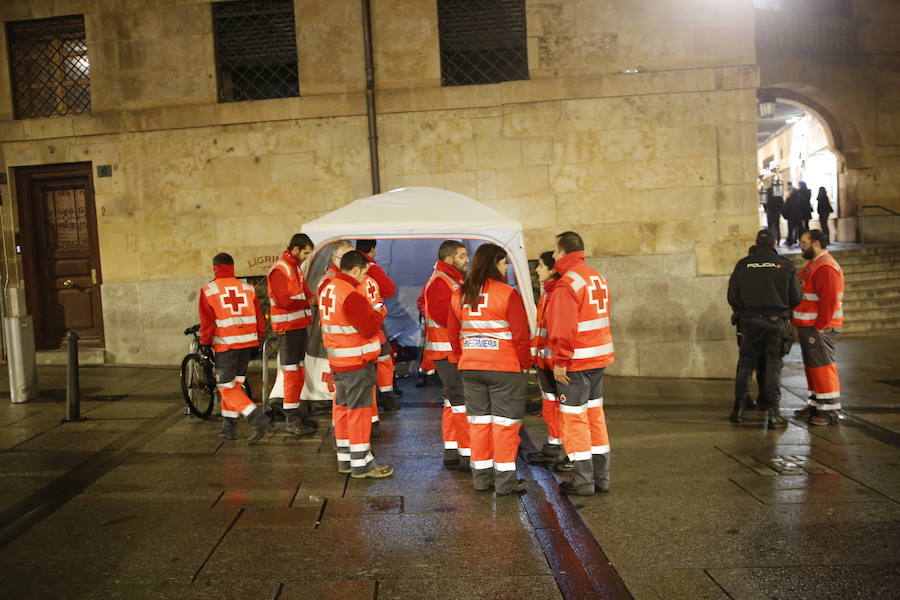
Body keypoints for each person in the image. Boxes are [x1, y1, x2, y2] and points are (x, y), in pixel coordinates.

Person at [448, 243, 531, 495]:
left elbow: (453, 334)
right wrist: (525, 364)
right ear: (495, 263)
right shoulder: (507, 293)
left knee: (479, 423)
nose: (505, 267)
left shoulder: (459, 293)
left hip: (471, 367)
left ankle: (481, 479)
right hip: (504, 368)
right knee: (505, 426)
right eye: (504, 262)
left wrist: (465, 357)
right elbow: (520, 336)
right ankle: (505, 483)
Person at [546, 231, 614, 496]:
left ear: (563, 252)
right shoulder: (596, 276)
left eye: (555, 250)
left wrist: (559, 362)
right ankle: (601, 478)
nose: (552, 255)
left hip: (576, 362)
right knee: (595, 418)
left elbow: (563, 328)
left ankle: (583, 482)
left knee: (574, 421)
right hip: (598, 358)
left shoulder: (567, 284)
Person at [319, 250, 394, 478]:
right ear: (355, 269)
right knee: (359, 412)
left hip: (338, 360)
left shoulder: (328, 288)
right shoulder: (350, 293)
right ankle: (362, 464)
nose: (364, 277)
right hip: (356, 361)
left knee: (341, 408)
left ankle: (345, 460)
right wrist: (379, 313)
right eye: (363, 272)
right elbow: (370, 327)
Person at [726, 230, 802, 427]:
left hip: (750, 322)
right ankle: (773, 413)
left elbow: (732, 297)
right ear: (775, 243)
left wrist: (745, 309)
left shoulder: (743, 265)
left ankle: (738, 409)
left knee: (745, 364)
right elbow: (796, 298)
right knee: (773, 367)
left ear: (756, 242)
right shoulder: (785, 265)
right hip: (776, 323)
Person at [198, 253, 270, 442]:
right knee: (235, 385)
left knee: (225, 387)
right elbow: (259, 317)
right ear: (232, 267)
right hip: (247, 344)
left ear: (215, 267)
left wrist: (205, 343)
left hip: (226, 346)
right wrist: (259, 337)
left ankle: (256, 418)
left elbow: (207, 323)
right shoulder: (248, 288)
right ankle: (229, 427)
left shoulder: (209, 290)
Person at [420, 240, 469, 469]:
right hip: (446, 351)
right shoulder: (441, 280)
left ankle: (453, 449)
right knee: (460, 402)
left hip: (449, 350)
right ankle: (467, 454)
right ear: (449, 258)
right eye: (461, 256)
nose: (466, 260)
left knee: (452, 401)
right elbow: (442, 315)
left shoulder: (451, 278)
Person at [792, 230, 845, 426]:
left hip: (819, 327)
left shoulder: (825, 267)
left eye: (803, 243)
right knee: (813, 367)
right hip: (810, 325)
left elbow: (829, 301)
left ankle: (829, 409)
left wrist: (821, 326)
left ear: (816, 243)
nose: (801, 246)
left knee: (823, 367)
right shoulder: (815, 265)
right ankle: (816, 403)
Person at [267, 234, 317, 436]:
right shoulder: (281, 269)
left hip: (297, 326)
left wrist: (310, 298)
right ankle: (292, 417)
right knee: (291, 372)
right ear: (295, 249)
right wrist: (309, 302)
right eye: (305, 252)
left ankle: (295, 411)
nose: (306, 257)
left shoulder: (294, 267)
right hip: (287, 329)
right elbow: (284, 301)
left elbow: (301, 294)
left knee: (298, 370)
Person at [527, 251, 568, 469]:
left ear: (553, 269)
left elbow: (561, 331)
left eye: (541, 266)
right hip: (545, 361)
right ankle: (554, 444)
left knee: (568, 410)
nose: (536, 269)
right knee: (551, 406)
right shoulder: (548, 293)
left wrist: (559, 362)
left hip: (557, 364)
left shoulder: (559, 293)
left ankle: (573, 454)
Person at [356, 240, 401, 412]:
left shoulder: (341, 276)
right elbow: (389, 290)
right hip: (375, 323)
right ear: (373, 250)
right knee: (383, 358)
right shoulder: (372, 269)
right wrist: (379, 308)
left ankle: (377, 402)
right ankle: (388, 398)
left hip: (353, 328)